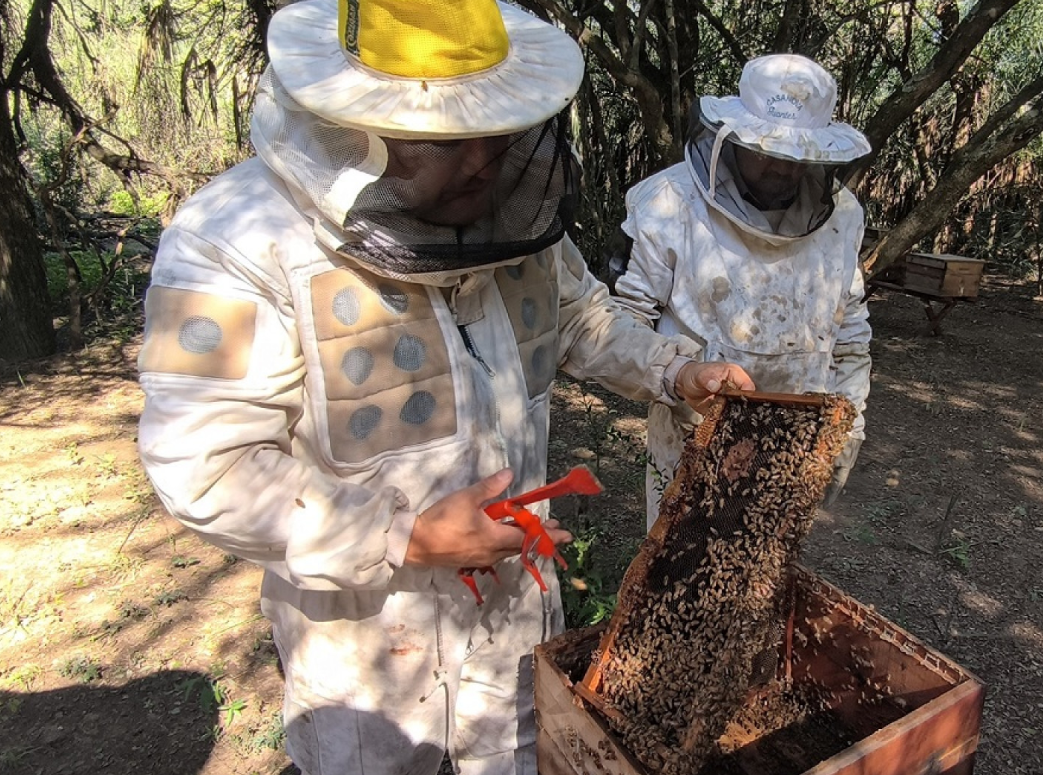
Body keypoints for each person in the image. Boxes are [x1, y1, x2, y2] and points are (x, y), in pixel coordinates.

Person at [134, 1, 752, 773]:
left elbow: (579, 320)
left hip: (515, 610)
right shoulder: (230, 238)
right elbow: (206, 465)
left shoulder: (509, 210)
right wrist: (404, 534)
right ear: (356, 132)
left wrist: (673, 369)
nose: (485, 161)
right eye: (449, 142)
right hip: (366, 642)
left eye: (497, 131)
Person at [611, 54, 874, 527]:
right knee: (677, 576)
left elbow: (850, 338)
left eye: (798, 156)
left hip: (794, 449)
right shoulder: (668, 203)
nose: (783, 168)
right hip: (690, 439)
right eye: (767, 151)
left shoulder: (843, 217)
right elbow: (623, 325)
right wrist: (679, 376)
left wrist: (845, 435)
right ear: (730, 138)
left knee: (760, 579)